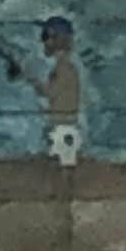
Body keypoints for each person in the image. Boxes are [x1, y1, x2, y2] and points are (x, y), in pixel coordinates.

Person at [36, 15, 85, 167]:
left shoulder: (63, 69)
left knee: (63, 176)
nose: (43, 42)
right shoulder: (66, 68)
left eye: (46, 36)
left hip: (64, 129)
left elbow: (49, 93)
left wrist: (31, 80)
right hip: (64, 127)